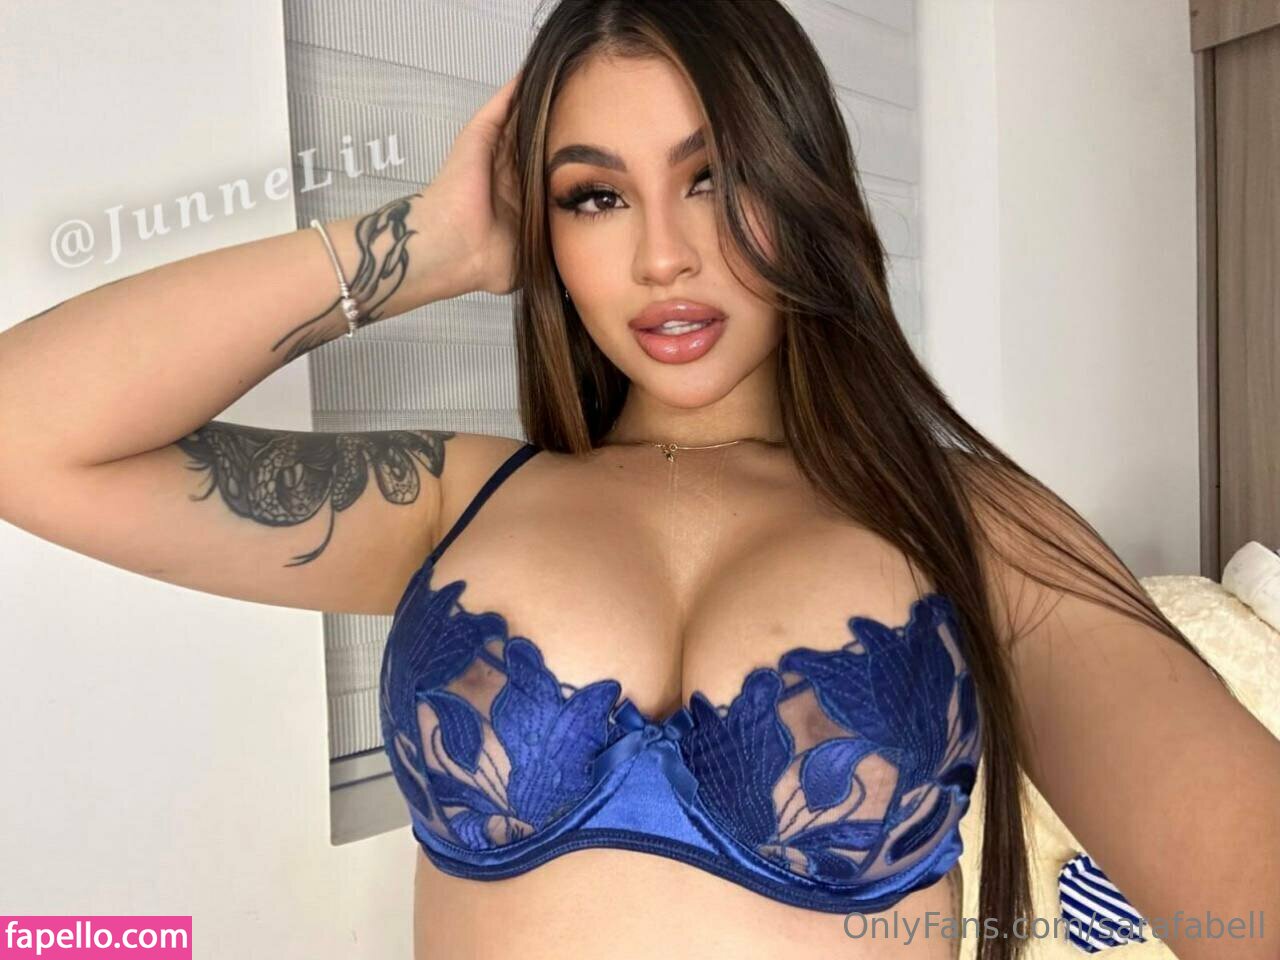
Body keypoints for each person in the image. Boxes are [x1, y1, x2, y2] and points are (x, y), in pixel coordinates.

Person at [1, 2, 1276, 958]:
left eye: (712, 177)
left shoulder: (973, 531)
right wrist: (431, 246)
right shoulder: (452, 501)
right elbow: (27, 434)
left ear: (803, 183)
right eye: (595, 196)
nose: (663, 255)